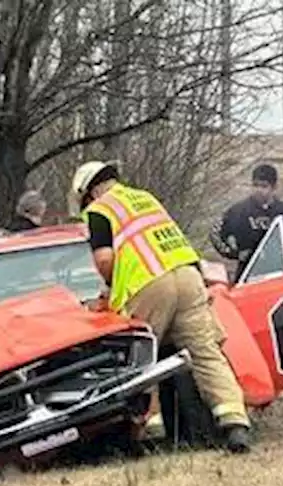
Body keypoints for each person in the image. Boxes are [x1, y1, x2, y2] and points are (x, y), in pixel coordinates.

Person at [70, 160, 252, 453]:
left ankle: (151, 431)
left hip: (148, 284)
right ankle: (235, 421)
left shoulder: (99, 211)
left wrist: (109, 289)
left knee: (141, 359)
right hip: (188, 276)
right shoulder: (146, 198)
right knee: (206, 352)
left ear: (89, 193)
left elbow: (105, 260)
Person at [210, 163, 283, 282]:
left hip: (279, 272)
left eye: (264, 186)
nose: (259, 190)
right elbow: (215, 232)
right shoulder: (239, 211)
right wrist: (234, 254)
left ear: (274, 187)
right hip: (246, 273)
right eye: (255, 185)